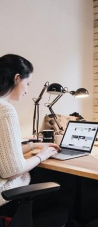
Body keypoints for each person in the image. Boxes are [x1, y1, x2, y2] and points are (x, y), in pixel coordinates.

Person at [0, 54, 76, 226]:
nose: (27, 90)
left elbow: (4, 154)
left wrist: (33, 145)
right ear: (16, 78)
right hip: (5, 199)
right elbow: (11, 170)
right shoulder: (6, 111)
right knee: (66, 184)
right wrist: (42, 155)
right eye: (27, 84)